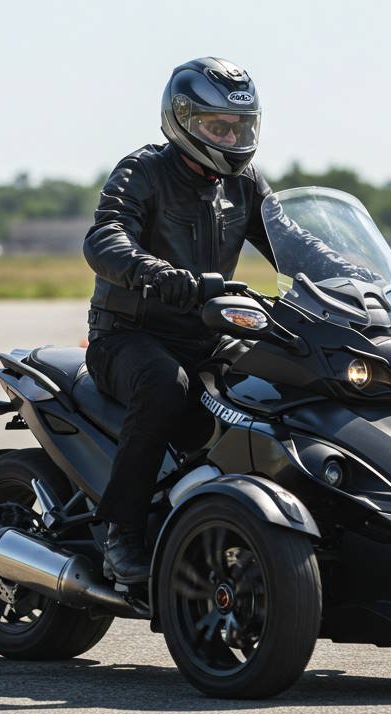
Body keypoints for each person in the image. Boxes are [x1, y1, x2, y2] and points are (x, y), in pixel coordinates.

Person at [82, 57, 274, 583]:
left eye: (239, 126)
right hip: (128, 336)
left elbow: (292, 240)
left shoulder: (245, 183)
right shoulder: (142, 171)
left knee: (283, 377)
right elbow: (105, 237)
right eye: (218, 126)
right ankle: (122, 535)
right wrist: (154, 271)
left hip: (209, 335)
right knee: (167, 385)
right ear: (183, 119)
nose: (231, 136)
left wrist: (347, 274)